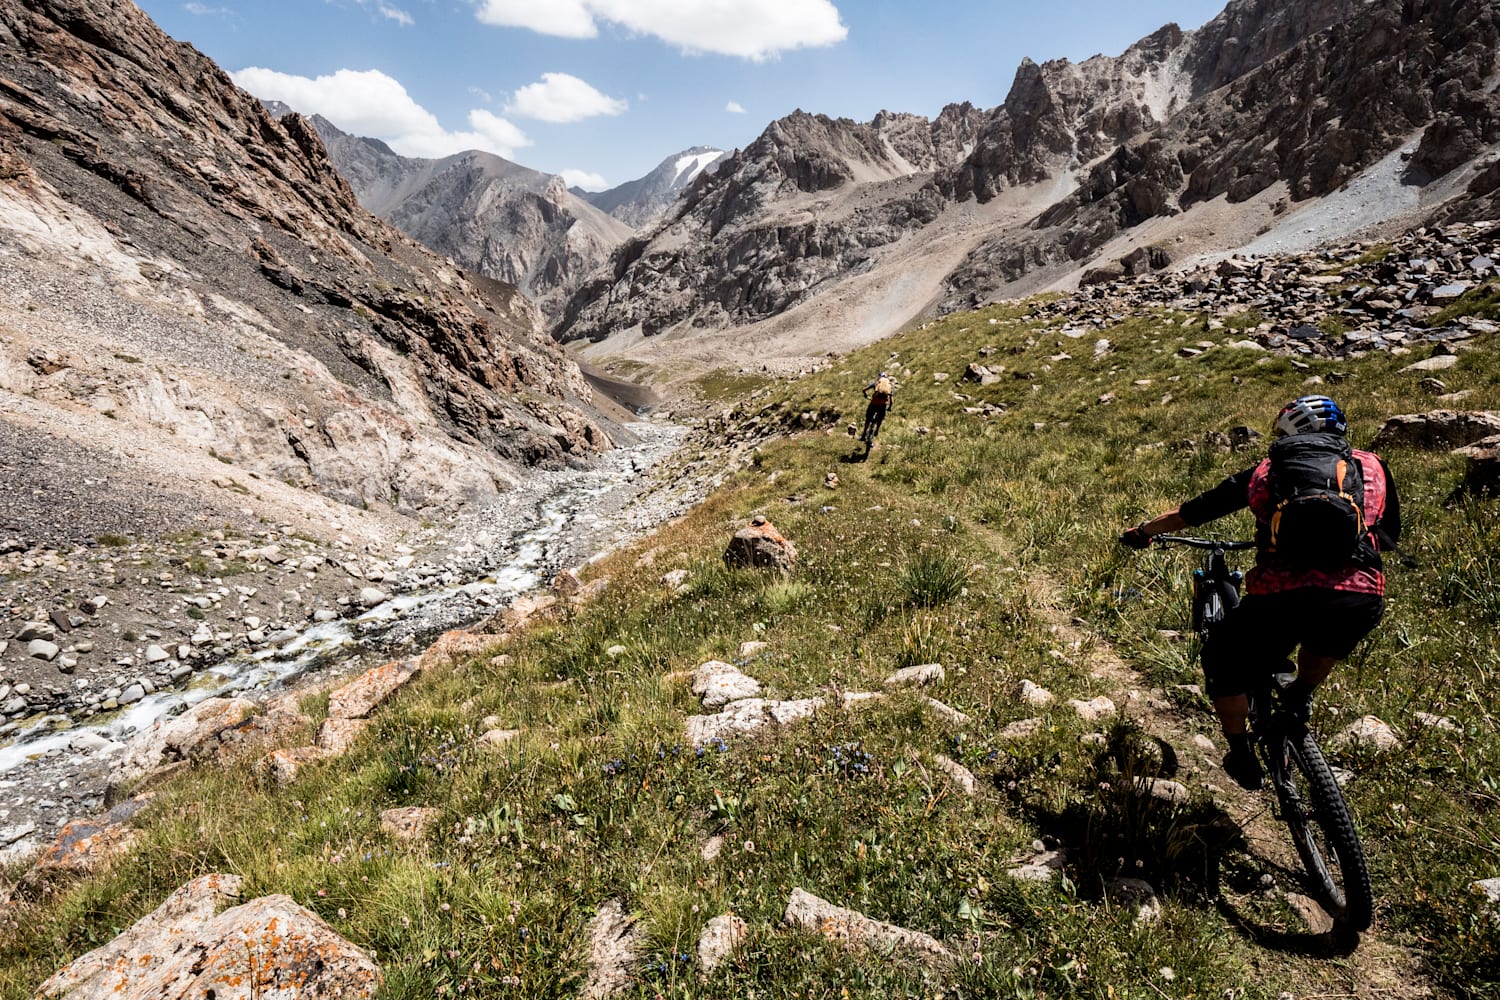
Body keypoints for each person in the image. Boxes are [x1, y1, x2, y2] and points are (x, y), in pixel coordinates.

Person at [1119, 395, 1400, 790]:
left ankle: (1240, 753)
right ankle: (1300, 695)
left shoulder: (1268, 471)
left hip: (1282, 596)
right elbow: (1387, 539)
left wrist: (1144, 531)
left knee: (1220, 658)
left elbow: (1198, 510)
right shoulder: (1372, 466)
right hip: (1359, 593)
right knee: (1325, 636)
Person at [861, 372, 894, 444]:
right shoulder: (889, 386)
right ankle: (876, 431)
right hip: (883, 406)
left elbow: (864, 389)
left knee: (868, 419)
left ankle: (863, 435)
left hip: (874, 404)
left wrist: (866, 395)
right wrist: (890, 407)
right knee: (880, 418)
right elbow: (891, 400)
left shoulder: (876, 383)